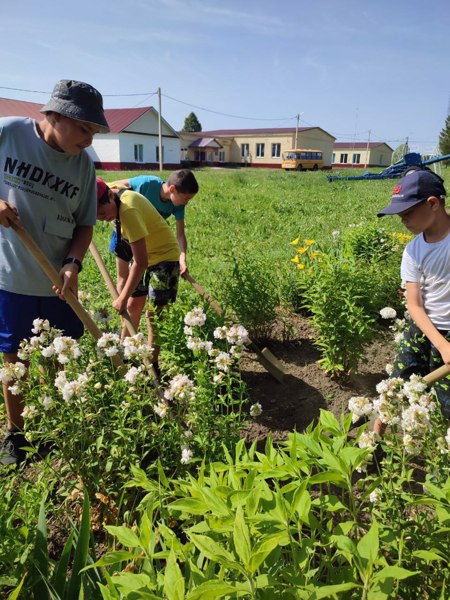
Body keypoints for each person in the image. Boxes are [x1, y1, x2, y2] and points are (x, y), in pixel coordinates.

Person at [0, 79, 109, 466]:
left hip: (59, 281)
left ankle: (63, 421)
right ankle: (18, 435)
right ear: (55, 115)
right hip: (12, 275)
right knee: (16, 358)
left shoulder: (83, 167)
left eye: (94, 132)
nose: (89, 139)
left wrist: (73, 263)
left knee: (65, 354)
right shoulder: (9, 132)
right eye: (84, 128)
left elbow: (84, 225)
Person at [374, 168, 450, 436]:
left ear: (433, 203)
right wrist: (441, 344)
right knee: (396, 386)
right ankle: (374, 439)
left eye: (407, 213)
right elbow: (415, 305)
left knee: (446, 403)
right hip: (422, 330)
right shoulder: (413, 251)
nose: (402, 220)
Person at [96, 177, 180, 376]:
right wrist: (123, 293)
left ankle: (152, 364)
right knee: (134, 304)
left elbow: (140, 263)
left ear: (110, 197)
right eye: (96, 216)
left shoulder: (128, 210)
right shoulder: (110, 191)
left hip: (164, 258)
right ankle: (123, 356)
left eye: (102, 213)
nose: (101, 218)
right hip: (143, 253)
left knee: (154, 316)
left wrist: (122, 297)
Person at [111, 170, 198, 277]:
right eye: (186, 198)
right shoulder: (148, 183)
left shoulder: (178, 205)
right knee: (124, 277)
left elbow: (180, 234)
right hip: (125, 233)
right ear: (172, 189)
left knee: (139, 277)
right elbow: (116, 185)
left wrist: (182, 257)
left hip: (147, 240)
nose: (187, 202)